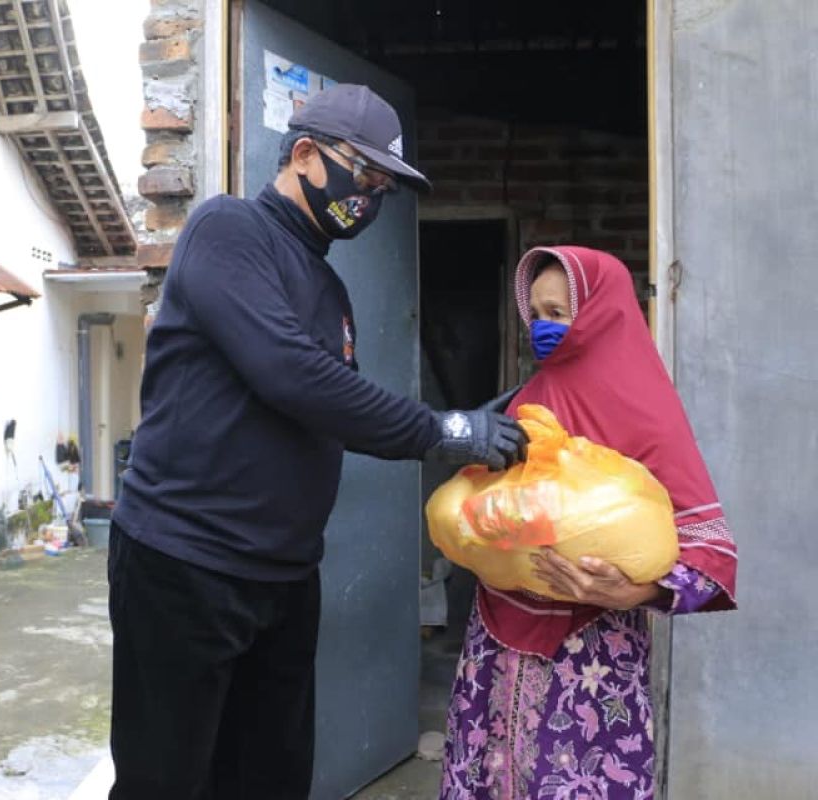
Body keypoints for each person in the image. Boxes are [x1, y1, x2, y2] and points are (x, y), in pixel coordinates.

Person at [107, 83, 529, 799]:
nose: (371, 197)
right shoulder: (228, 231)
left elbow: (335, 411)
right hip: (184, 566)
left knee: (270, 779)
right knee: (167, 781)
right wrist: (447, 429)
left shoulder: (329, 291)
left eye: (385, 187)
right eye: (365, 175)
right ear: (304, 155)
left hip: (282, 576)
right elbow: (291, 376)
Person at [440, 246, 739, 799]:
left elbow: (711, 551)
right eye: (537, 313)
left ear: (601, 312)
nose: (542, 328)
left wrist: (637, 591)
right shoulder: (529, 398)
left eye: (558, 313)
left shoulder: (646, 409)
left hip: (590, 652)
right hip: (495, 637)